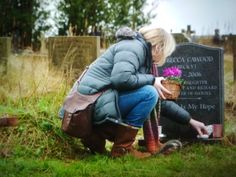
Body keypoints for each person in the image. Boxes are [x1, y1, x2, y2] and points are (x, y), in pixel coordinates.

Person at [60, 26, 208, 158]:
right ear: (158, 47)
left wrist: (189, 120)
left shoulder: (140, 53)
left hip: (93, 104)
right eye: (165, 53)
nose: (164, 58)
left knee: (151, 94)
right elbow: (121, 78)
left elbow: (158, 101)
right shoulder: (133, 47)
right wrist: (151, 80)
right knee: (150, 93)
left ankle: (103, 142)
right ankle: (122, 149)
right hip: (86, 109)